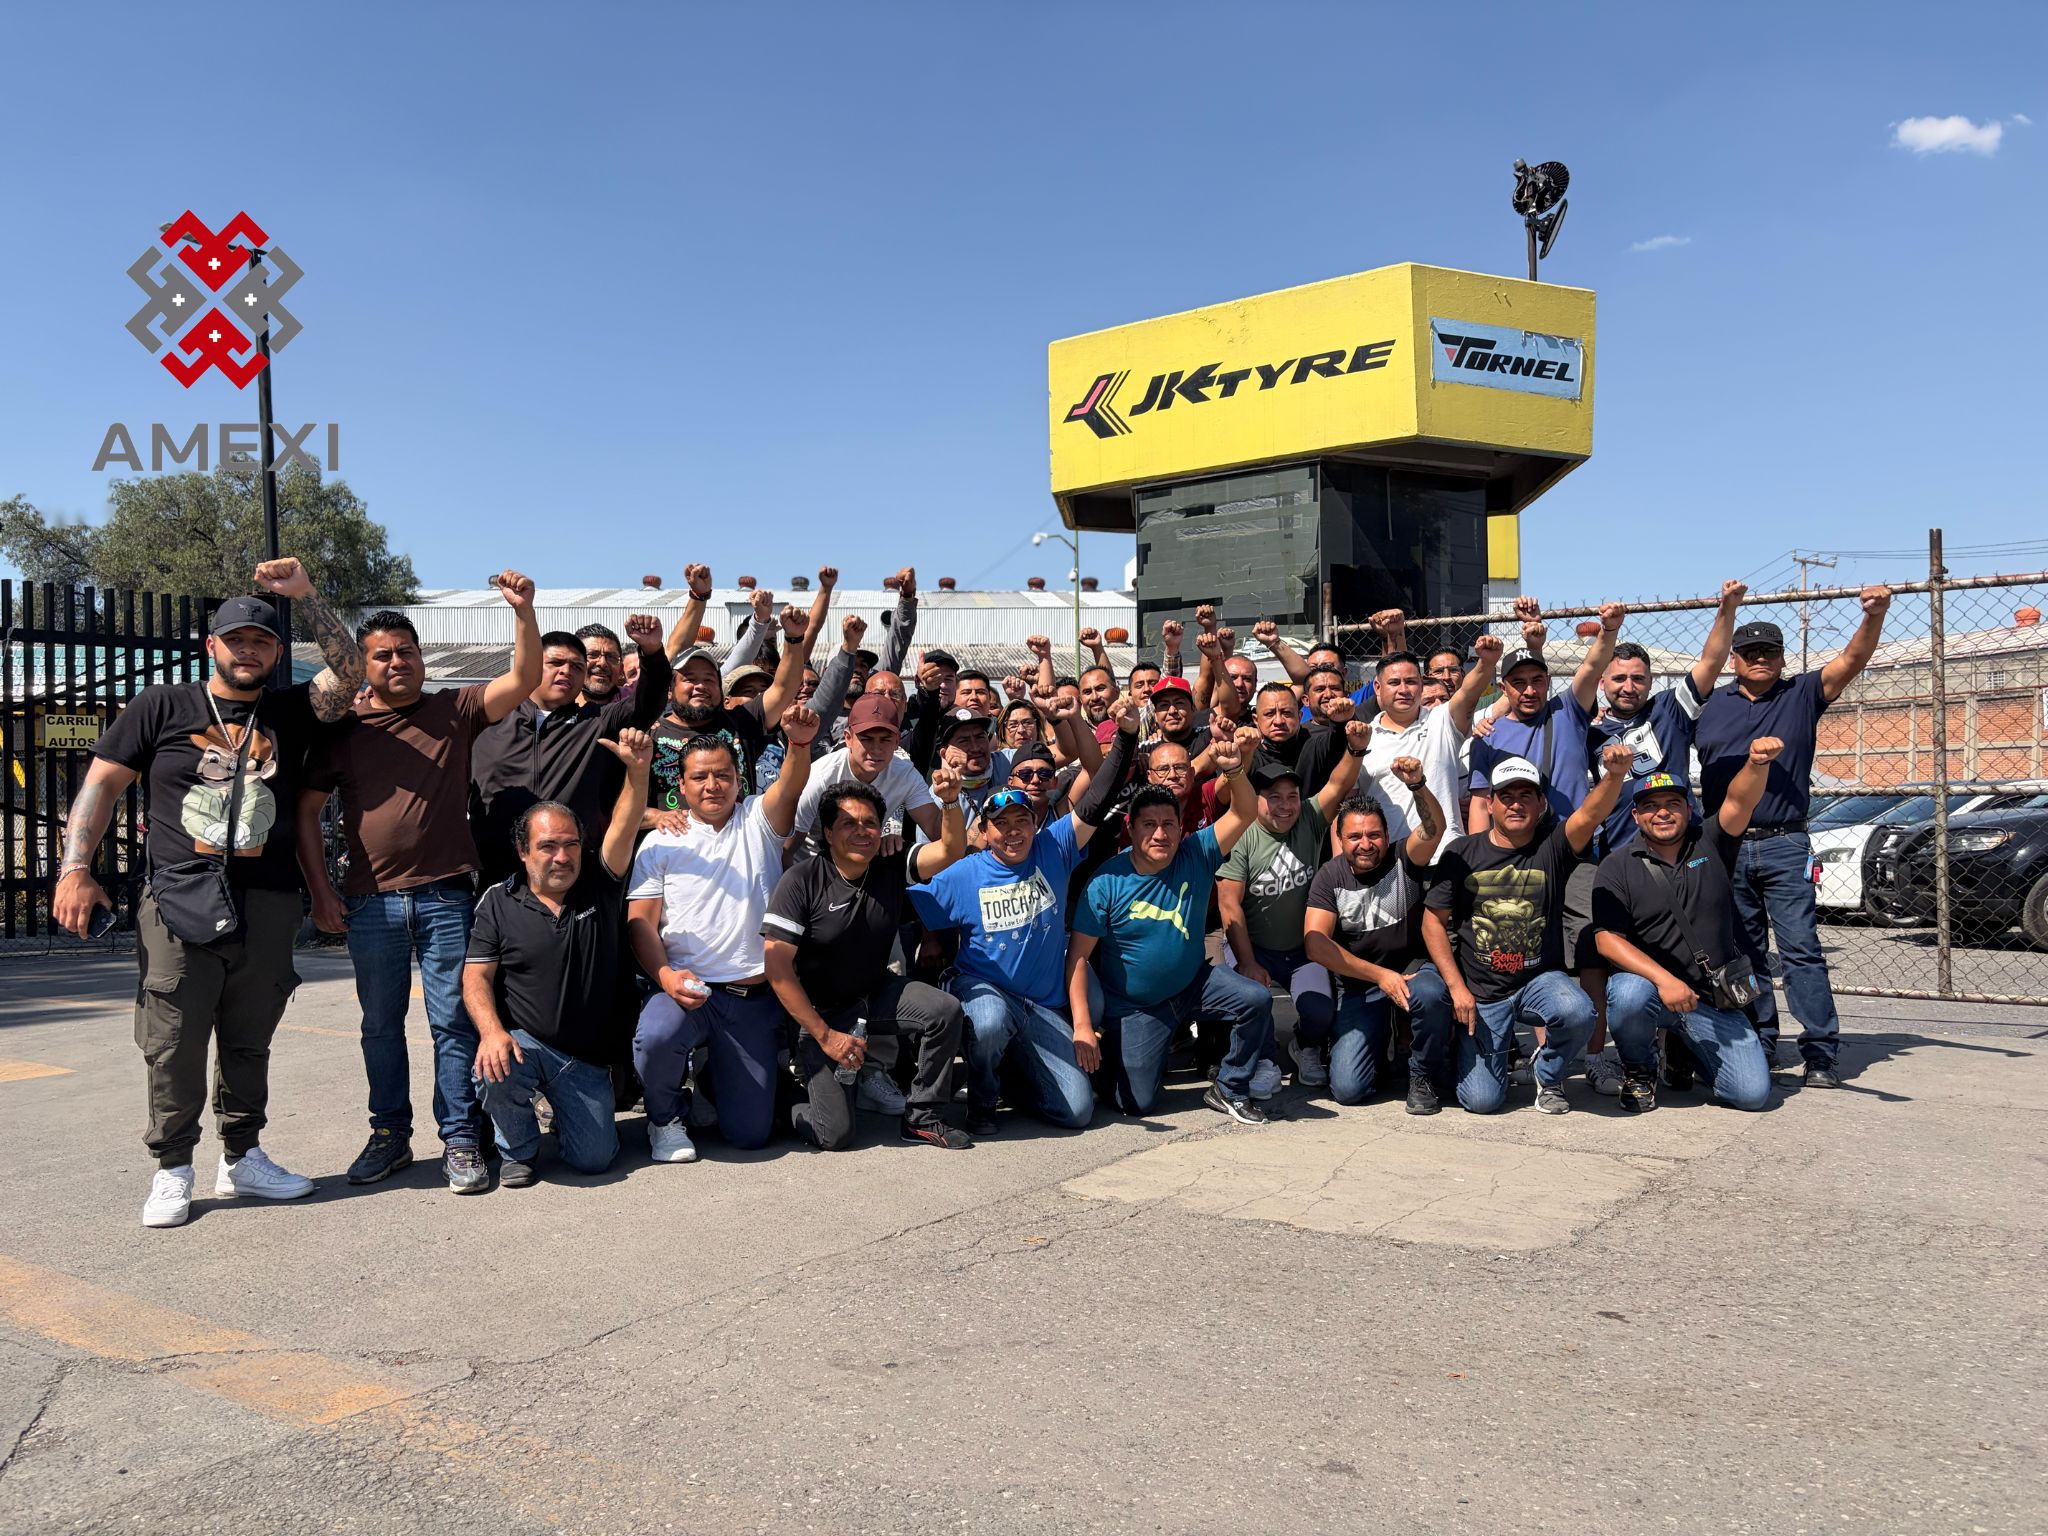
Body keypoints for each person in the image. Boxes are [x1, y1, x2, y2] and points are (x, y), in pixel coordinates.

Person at [53, 560, 366, 1229]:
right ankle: (172, 1167)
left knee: (250, 1036)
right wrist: (74, 868)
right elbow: (101, 785)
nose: (248, 650)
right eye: (236, 640)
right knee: (173, 1036)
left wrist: (305, 595)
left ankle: (243, 1156)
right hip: (180, 896)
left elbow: (350, 673)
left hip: (268, 898)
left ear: (276, 653)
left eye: (261, 641)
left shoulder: (289, 710)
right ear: (212, 646)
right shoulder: (161, 706)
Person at [297, 574, 543, 1191]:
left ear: (421, 657)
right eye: (381, 655)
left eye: (406, 651)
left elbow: (524, 678)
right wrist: (321, 891)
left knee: (452, 1023)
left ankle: (459, 1140)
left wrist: (523, 611)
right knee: (380, 1026)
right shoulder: (343, 728)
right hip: (370, 903)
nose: (396, 662)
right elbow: (306, 812)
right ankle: (389, 1136)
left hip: (445, 896)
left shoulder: (453, 710)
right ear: (363, 665)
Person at [1692, 586, 1892, 1088]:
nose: (1760, 658)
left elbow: (1853, 659)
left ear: (1783, 658)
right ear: (1734, 659)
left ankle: (1820, 1051)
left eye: (1770, 651)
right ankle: (1759, 1039)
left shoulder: (1801, 694)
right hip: (1726, 844)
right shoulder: (1708, 704)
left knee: (1801, 948)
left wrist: (1874, 615)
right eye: (1750, 651)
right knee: (1743, 950)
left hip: (1785, 841)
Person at [464, 729, 656, 1186]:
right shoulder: (498, 901)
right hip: (526, 1046)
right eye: (548, 846)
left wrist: (638, 771)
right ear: (523, 851)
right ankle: (519, 1150)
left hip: (586, 1060)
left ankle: (568, 1120)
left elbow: (626, 821)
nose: (562, 856)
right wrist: (491, 1032)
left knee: (594, 1160)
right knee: (494, 1066)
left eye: (570, 844)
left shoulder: (600, 882)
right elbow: (475, 978)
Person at [627, 704, 819, 1159]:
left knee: (749, 1135)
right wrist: (665, 976)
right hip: (684, 991)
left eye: (722, 775)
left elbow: (791, 784)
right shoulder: (659, 841)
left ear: (739, 781)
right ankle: (665, 1119)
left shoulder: (759, 819)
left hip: (749, 998)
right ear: (681, 785)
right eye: (699, 777)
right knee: (656, 1037)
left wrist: (799, 742)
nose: (712, 785)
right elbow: (641, 924)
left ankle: (714, 1075)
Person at [906, 745, 1126, 1134]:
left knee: (1077, 1112)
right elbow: (907, 902)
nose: (1012, 831)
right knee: (990, 1021)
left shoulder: (1053, 847)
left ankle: (1010, 1080)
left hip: (1041, 1005)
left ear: (1034, 825)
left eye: (1021, 821)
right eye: (1001, 823)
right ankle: (983, 1101)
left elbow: (1099, 797)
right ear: (985, 832)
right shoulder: (966, 872)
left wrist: (1126, 735)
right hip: (983, 991)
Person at [1067, 727, 1275, 1125]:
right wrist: (1082, 1026)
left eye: (1168, 824)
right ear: (1131, 828)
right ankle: (1114, 1061)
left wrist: (1235, 770)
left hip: (1193, 984)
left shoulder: (1197, 852)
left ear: (1182, 828)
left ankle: (1230, 1087)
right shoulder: (1106, 881)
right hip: (1136, 1007)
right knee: (1136, 1103)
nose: (1160, 834)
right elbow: (1077, 959)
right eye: (1148, 825)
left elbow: (1245, 812)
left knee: (1255, 998)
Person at [764, 770, 975, 1151]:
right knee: (835, 1135)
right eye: (849, 823)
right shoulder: (801, 880)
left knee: (944, 1010)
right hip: (821, 1014)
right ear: (829, 833)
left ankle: (923, 1118)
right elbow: (777, 969)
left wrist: (949, 802)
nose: (862, 831)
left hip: (874, 993)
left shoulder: (890, 862)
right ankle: (781, 1093)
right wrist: (825, 1036)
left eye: (870, 823)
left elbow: (950, 850)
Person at [1421, 741, 1634, 1115]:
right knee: (1482, 1102)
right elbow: (1432, 923)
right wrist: (1457, 989)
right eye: (1506, 796)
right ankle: (1471, 1055)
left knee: (1577, 1011)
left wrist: (1614, 775)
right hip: (1481, 992)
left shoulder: (1554, 845)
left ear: (1541, 804)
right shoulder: (1461, 853)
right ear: (1489, 804)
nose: (1515, 804)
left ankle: (1548, 1075)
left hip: (1538, 981)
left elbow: (1590, 814)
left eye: (1525, 796)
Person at [1591, 746, 1785, 1114]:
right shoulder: (1617, 866)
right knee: (1627, 993)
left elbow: (1739, 800)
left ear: (1688, 808)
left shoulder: (1711, 841)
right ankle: (1639, 1070)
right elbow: (1606, 939)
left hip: (1711, 999)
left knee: (1751, 1095)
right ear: (1635, 816)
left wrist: (1756, 764)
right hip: (1652, 993)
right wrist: (1665, 981)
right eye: (1650, 806)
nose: (1662, 812)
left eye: (1672, 803)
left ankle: (1682, 1048)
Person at [1215, 720, 1369, 1092]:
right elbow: (1229, 904)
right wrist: (1247, 962)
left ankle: (1304, 1045)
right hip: (1253, 946)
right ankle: (1264, 1057)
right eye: (1274, 797)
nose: (1285, 806)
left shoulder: (1310, 819)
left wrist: (1356, 748)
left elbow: (1338, 784)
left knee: (1319, 1011)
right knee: (1252, 1000)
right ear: (1257, 799)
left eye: (1292, 796)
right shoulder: (1241, 833)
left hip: (1302, 950)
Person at [469, 615, 670, 886]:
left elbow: (649, 699)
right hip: (495, 878)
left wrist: (652, 651)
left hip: (573, 879)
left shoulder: (597, 721)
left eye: (577, 666)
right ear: (531, 666)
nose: (567, 671)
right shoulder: (486, 720)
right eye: (556, 663)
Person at [1303, 772, 1455, 1109]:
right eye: (1354, 836)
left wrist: (1417, 785)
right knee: (1348, 1091)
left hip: (1414, 972)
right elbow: (1316, 943)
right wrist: (1381, 976)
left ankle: (1422, 1074)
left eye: (1374, 834)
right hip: (1361, 985)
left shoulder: (1404, 857)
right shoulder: (1329, 877)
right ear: (1340, 839)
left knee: (1431, 994)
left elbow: (1435, 829)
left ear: (1387, 836)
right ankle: (1381, 1049)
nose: (1365, 844)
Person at [651, 606, 811, 809]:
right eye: (690, 679)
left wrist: (794, 639)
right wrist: (653, 817)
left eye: (709, 679)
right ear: (670, 690)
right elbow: (620, 803)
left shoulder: (742, 721)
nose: (700, 686)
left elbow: (783, 688)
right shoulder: (649, 735)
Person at [1359, 634, 1502, 857]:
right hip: (1389, 859)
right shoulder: (1362, 738)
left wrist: (1487, 662)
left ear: (1420, 683)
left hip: (1445, 855)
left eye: (1411, 682)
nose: (1403, 689)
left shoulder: (1443, 721)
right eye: (1394, 683)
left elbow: (1468, 694)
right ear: (1377, 687)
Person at [575, 623, 628, 706]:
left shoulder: (635, 703)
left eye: (611, 657)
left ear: (621, 669)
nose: (602, 663)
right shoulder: (557, 703)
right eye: (592, 654)